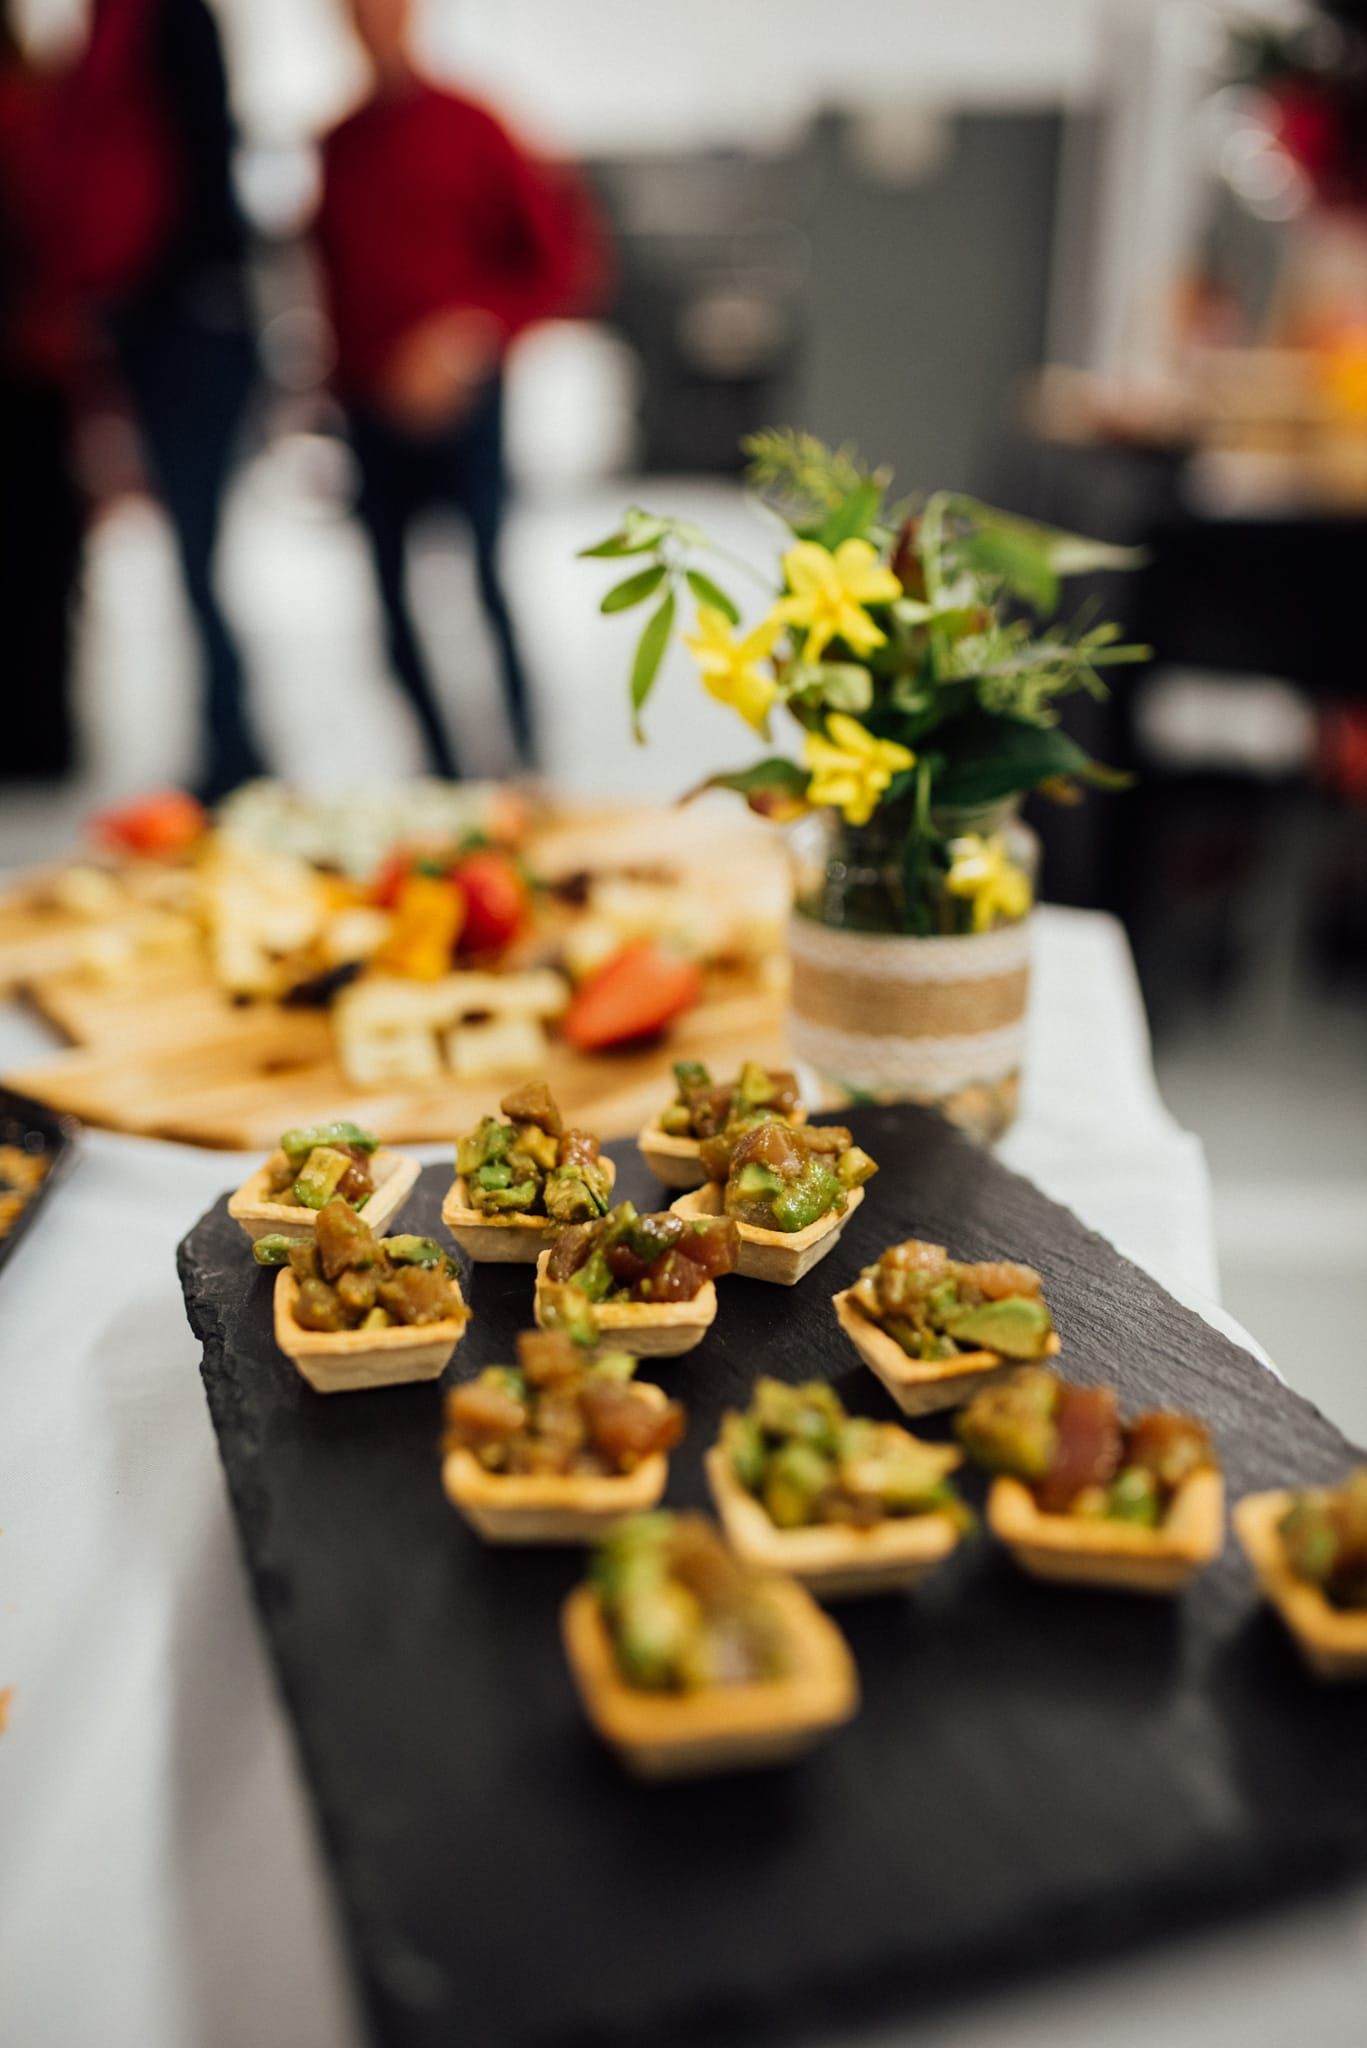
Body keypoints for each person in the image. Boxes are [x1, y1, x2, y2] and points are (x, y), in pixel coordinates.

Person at [315, 0, 608, 777]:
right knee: (388, 603)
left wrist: (469, 334)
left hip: (466, 399)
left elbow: (560, 264)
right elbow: (333, 290)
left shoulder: (473, 126)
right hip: (370, 410)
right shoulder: (339, 145)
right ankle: (442, 773)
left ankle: (521, 765)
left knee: (485, 582)